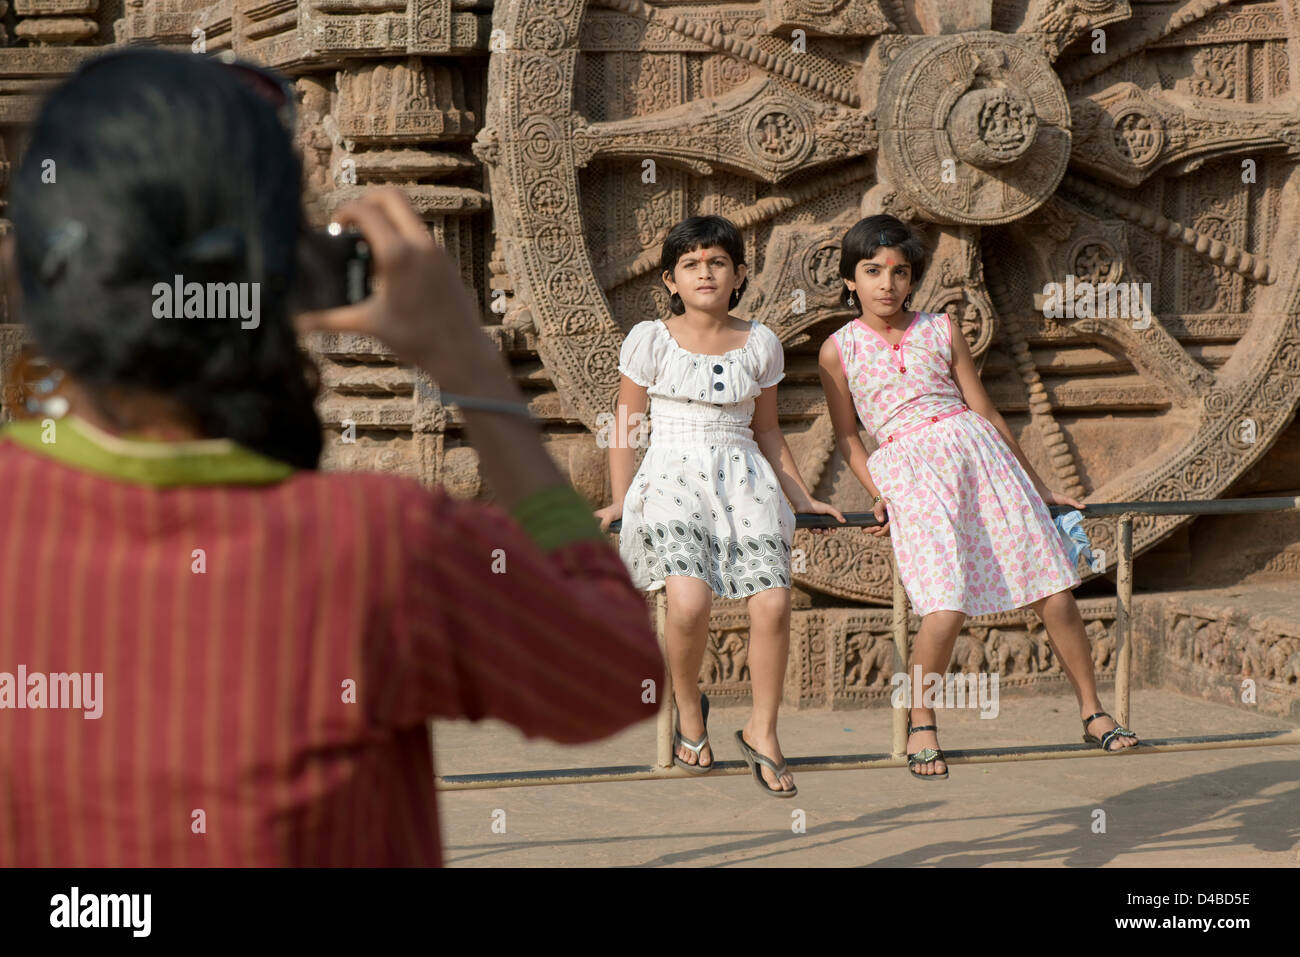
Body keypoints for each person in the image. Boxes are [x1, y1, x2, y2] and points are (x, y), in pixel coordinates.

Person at [0, 47, 663, 866]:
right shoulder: (379, 546)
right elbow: (615, 669)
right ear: (293, 278)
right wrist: (472, 370)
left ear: (30, 272)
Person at [817, 214, 1140, 780]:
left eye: (898, 272)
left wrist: (1039, 487)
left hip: (980, 456)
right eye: (872, 271)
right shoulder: (836, 351)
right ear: (850, 280)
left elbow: (985, 410)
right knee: (944, 607)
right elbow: (849, 439)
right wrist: (879, 494)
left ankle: (1093, 712)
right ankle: (922, 724)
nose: (886, 284)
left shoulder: (941, 329)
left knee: (1054, 591)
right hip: (909, 474)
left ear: (912, 279)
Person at [594, 215, 844, 797]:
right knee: (687, 601)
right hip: (672, 473)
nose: (704, 273)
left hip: (744, 478)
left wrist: (804, 498)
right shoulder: (649, 338)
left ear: (737, 276)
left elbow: (769, 432)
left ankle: (763, 731)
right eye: (691, 264)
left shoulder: (761, 342)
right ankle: (688, 708)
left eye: (717, 263)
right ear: (671, 280)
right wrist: (622, 500)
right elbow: (627, 426)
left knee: (775, 605)